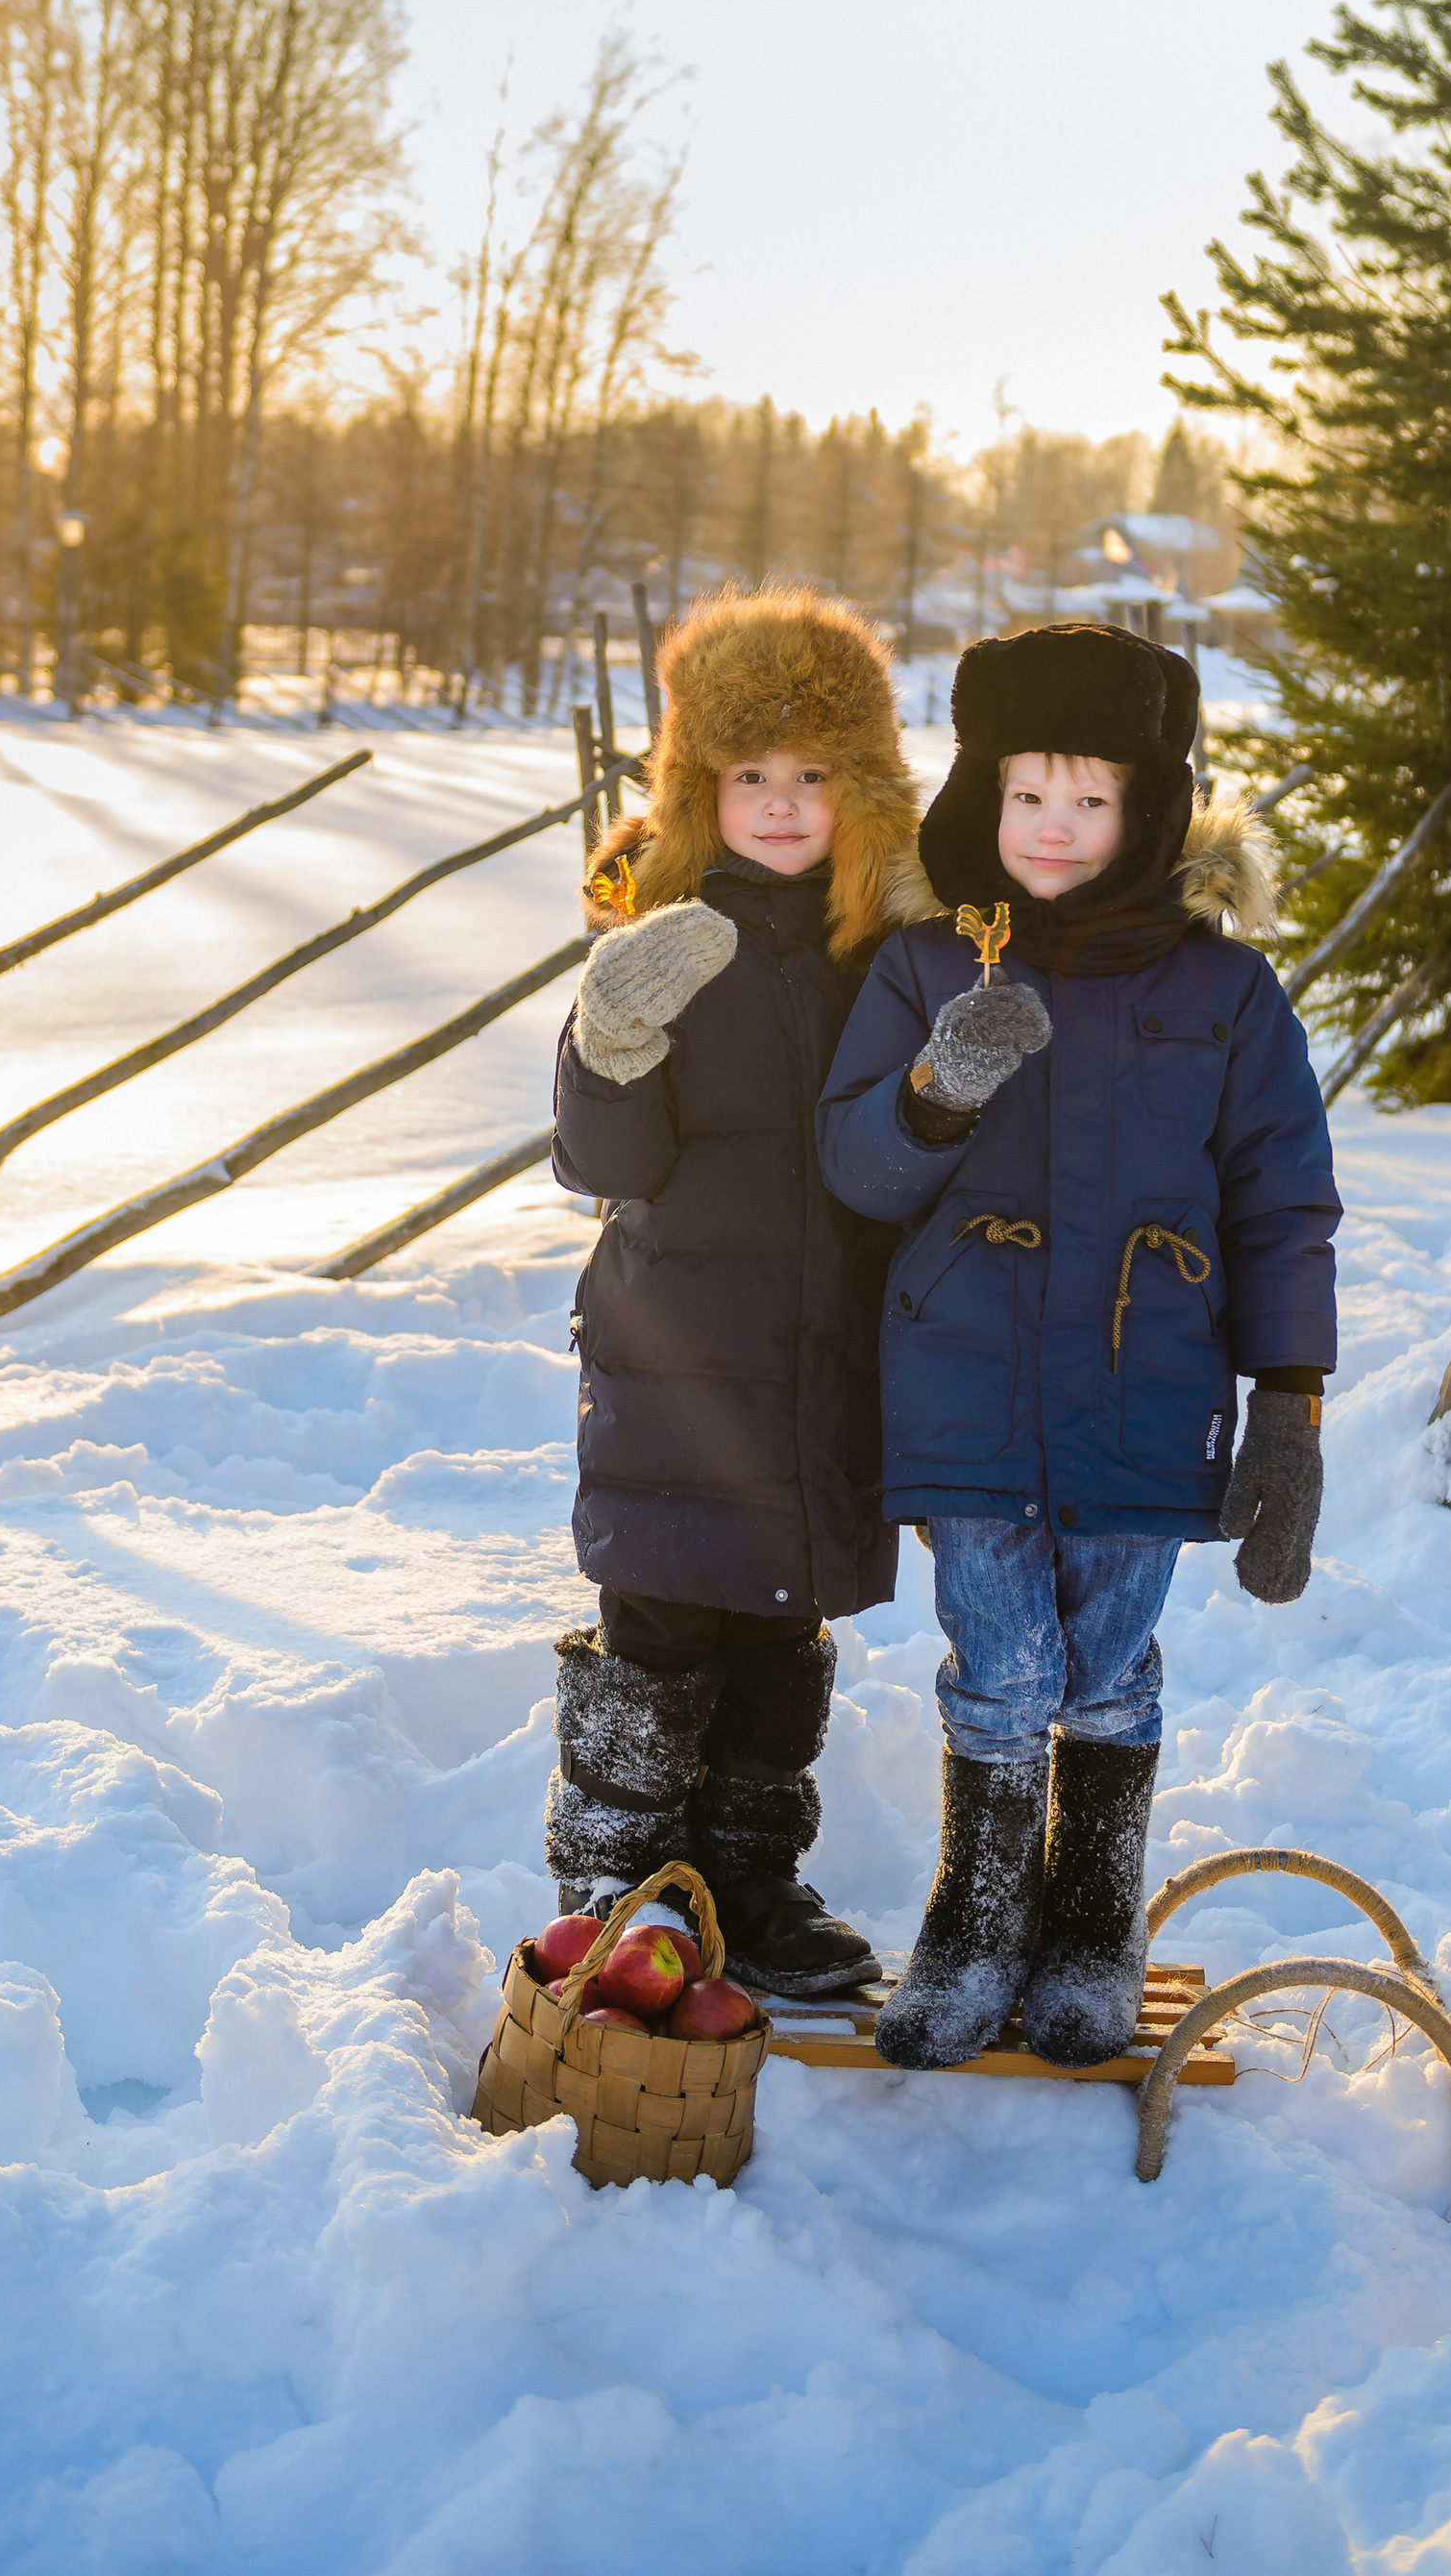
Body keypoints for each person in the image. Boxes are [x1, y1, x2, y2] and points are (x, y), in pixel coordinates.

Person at [817, 619, 1340, 2069]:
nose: (1053, 827)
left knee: (1108, 1666)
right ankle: (976, 1927)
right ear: (981, 796)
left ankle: (1094, 1927)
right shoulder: (929, 964)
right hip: (967, 1389)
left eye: (1092, 798)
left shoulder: (1224, 994)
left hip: (1146, 1394)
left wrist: (1290, 1401)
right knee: (996, 1668)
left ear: (1149, 808)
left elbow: (1283, 1200)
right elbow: (854, 1171)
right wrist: (935, 1092)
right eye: (1027, 793)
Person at [546, 582, 919, 1997]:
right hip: (677, 1356)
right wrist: (610, 1040)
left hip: (822, 1354)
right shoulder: (663, 928)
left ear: (861, 790)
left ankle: (751, 1885)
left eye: (812, 775)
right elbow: (605, 1162)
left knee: (777, 1627)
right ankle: (620, 1889)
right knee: (657, 1625)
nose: (779, 804)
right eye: (749, 774)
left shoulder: (885, 947)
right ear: (699, 785)